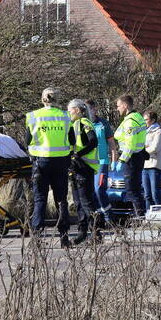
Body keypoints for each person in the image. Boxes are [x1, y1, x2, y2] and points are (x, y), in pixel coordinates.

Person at [26, 87, 73, 247]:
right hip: (61, 162)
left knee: (40, 199)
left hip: (41, 162)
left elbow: (27, 140)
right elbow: (72, 140)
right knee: (61, 200)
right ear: (57, 99)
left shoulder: (34, 117)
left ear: (42, 99)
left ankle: (36, 237)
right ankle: (64, 236)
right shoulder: (66, 117)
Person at [67, 99, 102, 244]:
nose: (68, 112)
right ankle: (82, 232)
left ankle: (96, 234)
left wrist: (78, 154)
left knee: (86, 201)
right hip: (74, 167)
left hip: (84, 166)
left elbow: (93, 141)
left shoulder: (85, 122)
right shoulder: (71, 124)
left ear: (77, 110)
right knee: (77, 202)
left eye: (70, 110)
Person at [112, 95, 148, 217]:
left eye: (118, 106)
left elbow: (130, 144)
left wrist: (122, 160)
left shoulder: (130, 122)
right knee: (136, 188)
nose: (117, 109)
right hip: (138, 157)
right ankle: (141, 214)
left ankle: (140, 216)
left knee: (131, 189)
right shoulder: (138, 117)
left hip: (131, 158)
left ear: (125, 105)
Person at [86, 99, 116, 225]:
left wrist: (114, 161)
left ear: (94, 110)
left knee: (99, 190)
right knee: (91, 192)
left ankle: (109, 216)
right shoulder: (83, 124)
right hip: (87, 163)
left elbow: (112, 145)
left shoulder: (103, 124)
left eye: (89, 109)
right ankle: (99, 219)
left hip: (101, 162)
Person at [142, 111, 161, 208]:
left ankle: (159, 216)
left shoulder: (158, 132)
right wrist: (146, 147)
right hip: (144, 165)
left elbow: (155, 148)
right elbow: (141, 146)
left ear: (153, 120)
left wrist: (144, 149)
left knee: (155, 194)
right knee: (147, 195)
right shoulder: (144, 131)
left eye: (146, 120)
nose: (144, 122)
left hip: (154, 165)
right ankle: (148, 216)